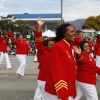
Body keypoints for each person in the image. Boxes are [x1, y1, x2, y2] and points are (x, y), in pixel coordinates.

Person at [45, 23, 76, 100]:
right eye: (71, 32)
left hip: (68, 90)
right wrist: (63, 94)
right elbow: (58, 71)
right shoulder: (58, 46)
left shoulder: (68, 46)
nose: (74, 33)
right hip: (58, 93)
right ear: (64, 34)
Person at [34, 18, 54, 100]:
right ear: (45, 46)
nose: (52, 47)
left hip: (52, 79)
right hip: (43, 79)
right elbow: (38, 41)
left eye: (53, 45)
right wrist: (40, 26)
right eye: (50, 45)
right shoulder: (42, 51)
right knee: (46, 96)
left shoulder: (55, 53)